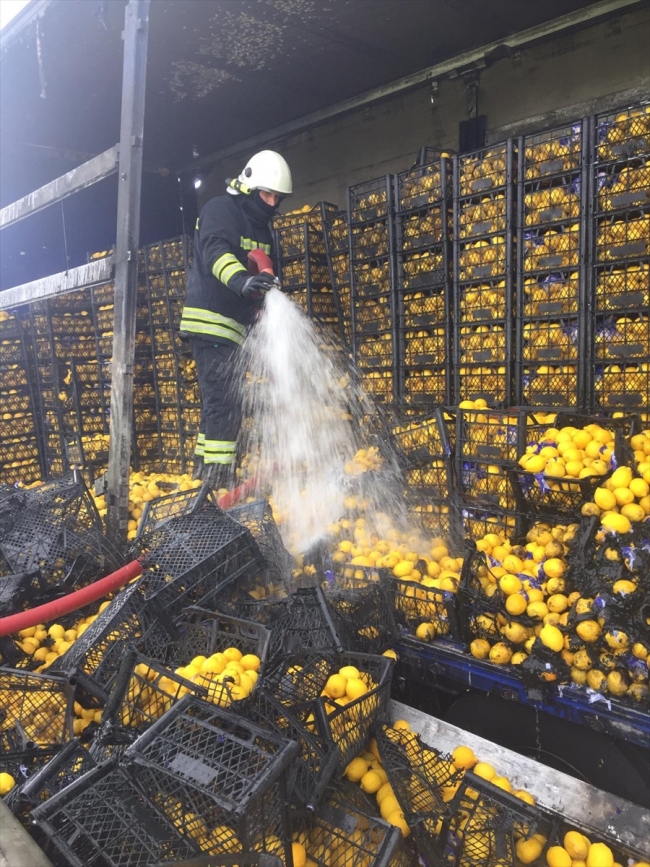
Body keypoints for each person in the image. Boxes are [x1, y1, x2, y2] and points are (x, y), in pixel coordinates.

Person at [179, 150, 292, 488]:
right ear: (248, 186)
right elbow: (215, 251)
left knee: (219, 403)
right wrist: (242, 281)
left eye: (277, 197)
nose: (271, 202)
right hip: (211, 323)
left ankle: (202, 480)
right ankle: (216, 484)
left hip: (235, 331)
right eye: (265, 194)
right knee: (226, 403)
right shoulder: (220, 211)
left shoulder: (263, 230)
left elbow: (266, 272)